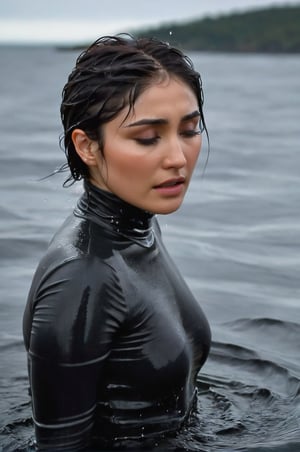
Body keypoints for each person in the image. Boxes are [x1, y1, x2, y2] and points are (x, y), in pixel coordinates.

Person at [23, 34, 211, 451]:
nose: (178, 157)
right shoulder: (83, 276)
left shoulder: (141, 228)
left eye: (190, 129)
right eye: (148, 137)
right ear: (87, 145)